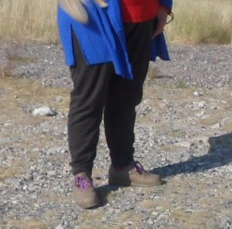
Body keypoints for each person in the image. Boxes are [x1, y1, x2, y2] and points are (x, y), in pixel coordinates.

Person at [57, 0, 172, 209]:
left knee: (127, 96)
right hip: (92, 13)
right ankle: (81, 175)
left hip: (141, 13)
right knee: (89, 98)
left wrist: (164, 6)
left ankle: (122, 166)